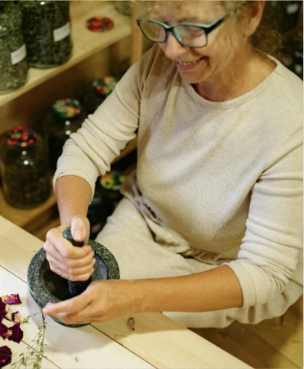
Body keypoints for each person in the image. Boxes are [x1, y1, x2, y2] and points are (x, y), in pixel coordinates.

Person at [42, 0, 303, 328]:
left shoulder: (292, 122)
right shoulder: (158, 65)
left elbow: (263, 272)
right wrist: (71, 230)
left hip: (226, 266)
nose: (171, 50)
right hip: (146, 219)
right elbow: (85, 147)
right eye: (159, 26)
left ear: (250, 14)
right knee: (83, 314)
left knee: (123, 325)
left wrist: (134, 295)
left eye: (193, 29)